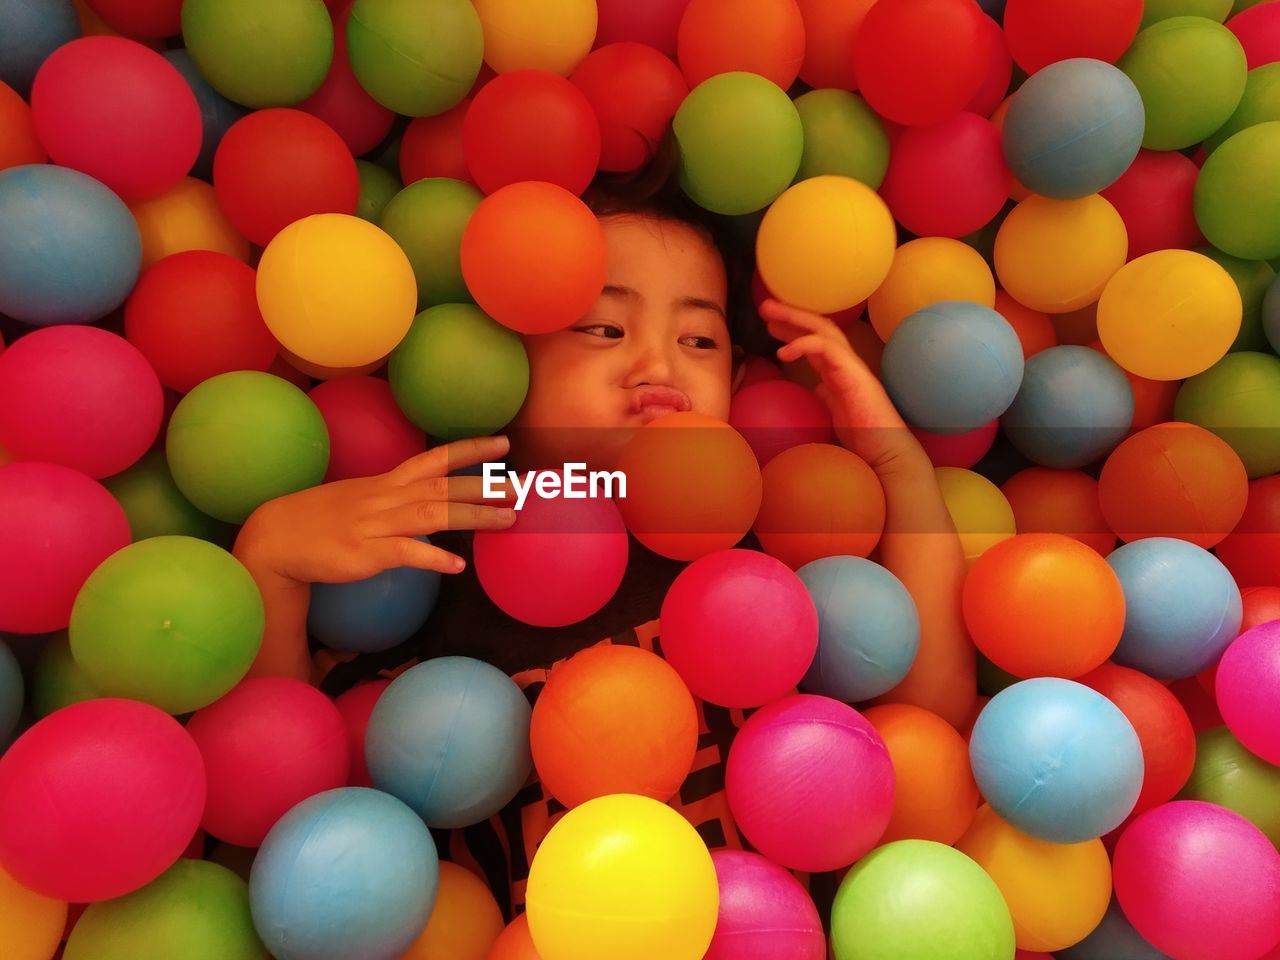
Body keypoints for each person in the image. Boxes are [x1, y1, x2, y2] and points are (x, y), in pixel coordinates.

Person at [232, 135, 974, 923]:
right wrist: (270, 563)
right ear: (503, 362)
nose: (657, 365)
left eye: (699, 340)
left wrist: (898, 470)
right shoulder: (437, 556)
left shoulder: (761, 554)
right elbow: (301, 821)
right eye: (603, 329)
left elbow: (930, 714)